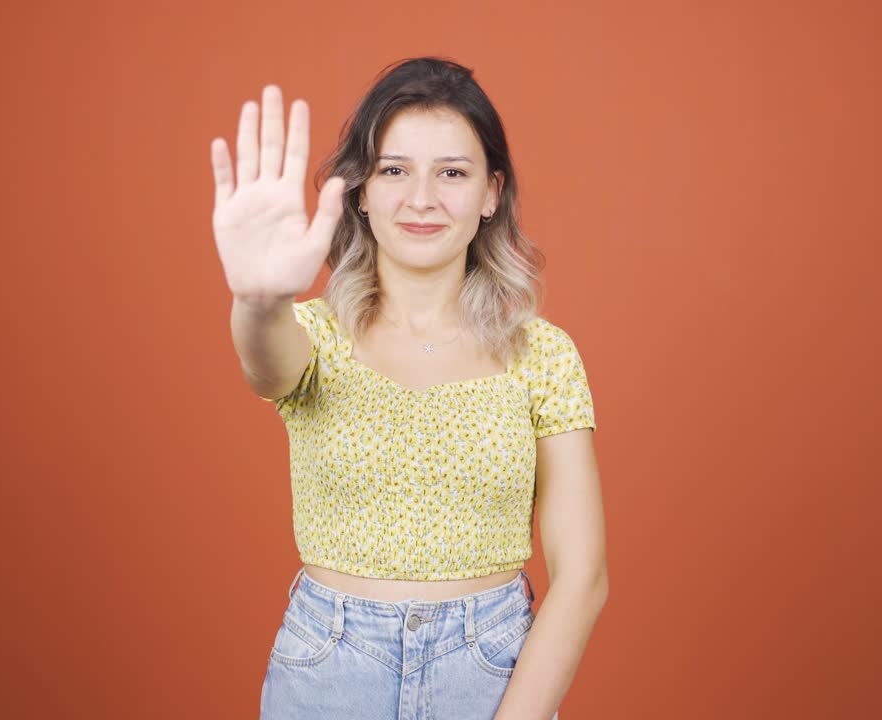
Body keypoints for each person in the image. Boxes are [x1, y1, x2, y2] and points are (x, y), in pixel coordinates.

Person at [213, 57, 607, 720]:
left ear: (490, 193)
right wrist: (256, 300)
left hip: (490, 674)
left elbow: (583, 576)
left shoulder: (542, 354)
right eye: (394, 170)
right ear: (360, 192)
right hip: (329, 674)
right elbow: (266, 364)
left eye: (452, 172)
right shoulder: (313, 336)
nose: (421, 198)